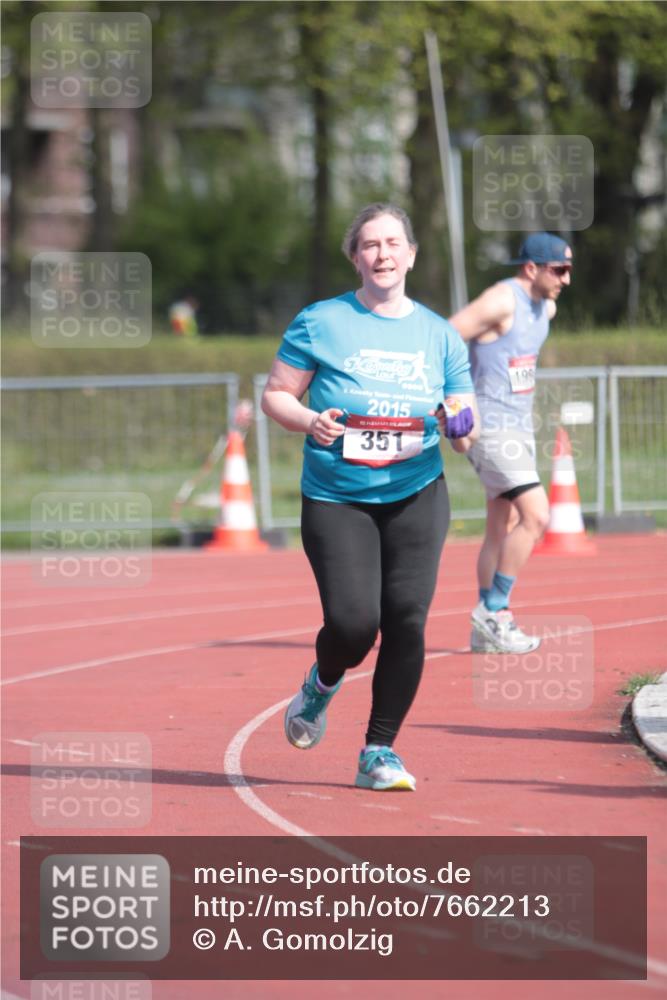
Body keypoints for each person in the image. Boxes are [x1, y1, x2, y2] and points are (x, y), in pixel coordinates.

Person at [261, 203, 479, 792]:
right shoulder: (322, 321)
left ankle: (379, 751)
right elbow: (276, 395)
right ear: (355, 257)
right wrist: (309, 420)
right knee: (355, 623)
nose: (382, 254)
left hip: (416, 493)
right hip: (338, 495)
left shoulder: (439, 335)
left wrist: (457, 423)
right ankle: (322, 683)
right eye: (370, 244)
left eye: (393, 243)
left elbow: (464, 419)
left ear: (411, 254)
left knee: (407, 620)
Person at [449, 231, 573, 654]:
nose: (566, 279)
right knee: (537, 516)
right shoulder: (502, 301)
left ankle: (485, 628)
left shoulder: (547, 308)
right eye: (559, 270)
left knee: (498, 529)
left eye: (569, 269)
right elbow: (448, 335)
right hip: (490, 427)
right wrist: (458, 399)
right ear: (531, 267)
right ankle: (496, 613)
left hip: (518, 428)